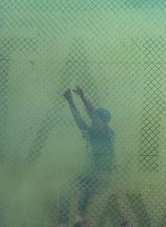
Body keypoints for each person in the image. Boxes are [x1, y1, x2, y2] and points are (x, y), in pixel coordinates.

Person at [59, 85, 115, 226]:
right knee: (65, 189)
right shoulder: (91, 131)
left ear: (104, 121)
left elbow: (91, 114)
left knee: (86, 189)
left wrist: (82, 96)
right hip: (90, 174)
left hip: (102, 175)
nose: (92, 120)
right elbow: (79, 120)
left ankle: (80, 217)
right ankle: (65, 222)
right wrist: (70, 101)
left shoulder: (106, 133)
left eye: (97, 118)